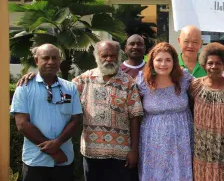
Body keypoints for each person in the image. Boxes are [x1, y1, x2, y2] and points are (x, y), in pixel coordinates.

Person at [73, 41, 143, 181]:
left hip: (121, 155)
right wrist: (33, 77)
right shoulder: (85, 79)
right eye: (105, 55)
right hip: (92, 153)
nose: (109, 59)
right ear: (97, 57)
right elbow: (62, 89)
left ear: (118, 56)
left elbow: (135, 117)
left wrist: (134, 150)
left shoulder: (129, 83)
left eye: (112, 55)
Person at [10, 44, 83, 181]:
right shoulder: (24, 88)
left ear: (60, 61)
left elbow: (76, 119)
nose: (51, 62)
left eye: (55, 58)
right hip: (36, 161)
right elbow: (22, 124)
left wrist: (58, 142)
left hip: (64, 160)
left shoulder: (70, 88)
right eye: (46, 58)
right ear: (37, 61)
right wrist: (54, 150)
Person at [135, 42, 194, 180]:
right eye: (159, 60)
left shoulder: (183, 78)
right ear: (152, 62)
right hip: (153, 139)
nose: (163, 64)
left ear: (174, 61)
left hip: (181, 138)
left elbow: (204, 87)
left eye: (168, 60)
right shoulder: (143, 81)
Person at [189, 42, 224, 180]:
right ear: (204, 64)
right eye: (210, 63)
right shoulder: (195, 86)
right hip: (201, 150)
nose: (214, 67)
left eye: (218, 63)